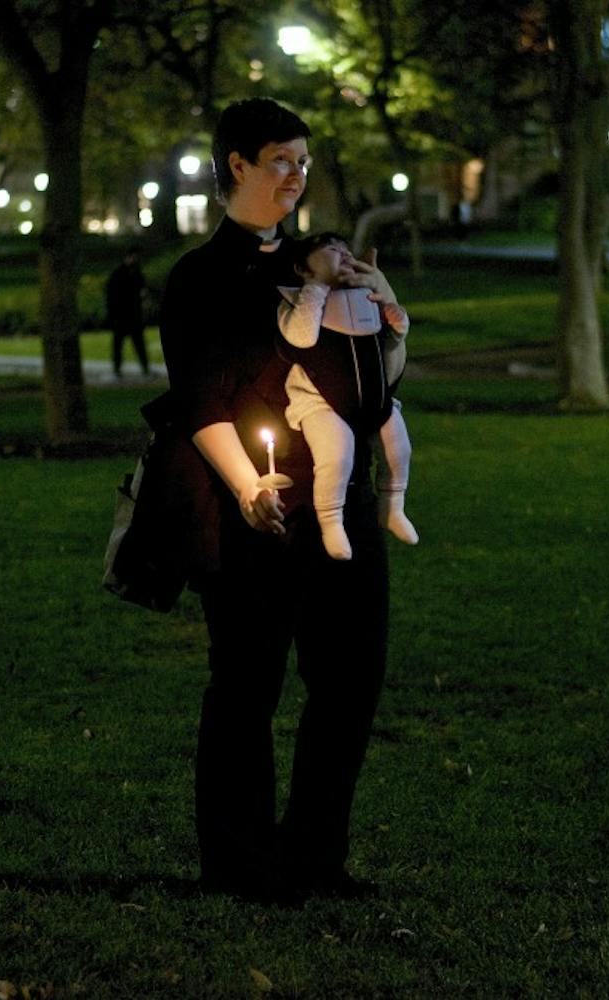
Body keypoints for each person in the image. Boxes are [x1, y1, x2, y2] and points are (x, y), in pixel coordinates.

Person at [157, 98, 395, 901]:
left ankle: (314, 858)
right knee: (246, 686)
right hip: (252, 512)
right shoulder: (200, 278)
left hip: (344, 502)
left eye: (303, 162)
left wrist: (383, 318)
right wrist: (245, 483)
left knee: (350, 681)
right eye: (282, 161)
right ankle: (239, 865)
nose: (297, 175)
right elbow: (199, 400)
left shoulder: (317, 262)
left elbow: (369, 374)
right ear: (238, 166)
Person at [278, 231, 418, 561]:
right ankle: (331, 521)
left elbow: (385, 349)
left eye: (345, 249)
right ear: (302, 267)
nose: (343, 253)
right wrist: (316, 288)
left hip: (371, 396)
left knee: (399, 447)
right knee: (337, 455)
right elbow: (301, 338)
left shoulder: (364, 297)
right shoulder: (296, 302)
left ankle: (392, 505)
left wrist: (397, 326)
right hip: (318, 402)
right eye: (331, 249)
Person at [106, 249, 150, 377]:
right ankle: (118, 368)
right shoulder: (119, 274)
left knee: (137, 343)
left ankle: (144, 367)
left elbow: (143, 291)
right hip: (122, 315)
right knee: (120, 344)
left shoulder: (135, 273)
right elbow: (112, 295)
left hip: (133, 314)